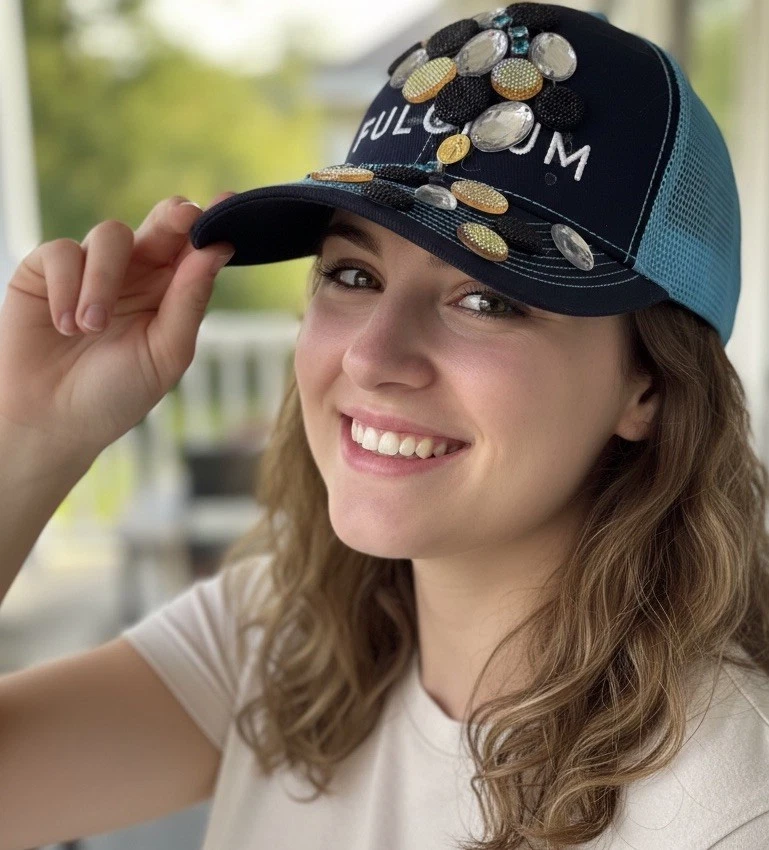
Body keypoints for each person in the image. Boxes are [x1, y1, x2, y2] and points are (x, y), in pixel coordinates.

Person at [0, 3, 768, 849]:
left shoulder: (727, 807)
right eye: (353, 274)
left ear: (649, 388)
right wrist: (32, 434)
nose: (371, 357)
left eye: (486, 298)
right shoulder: (285, 637)